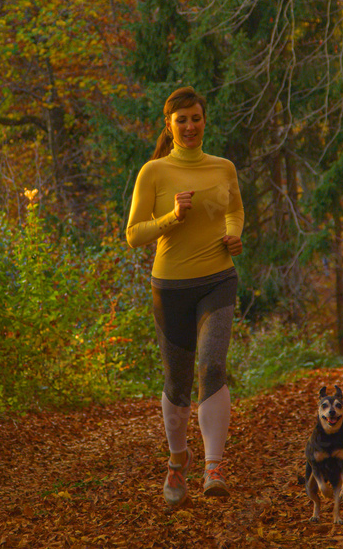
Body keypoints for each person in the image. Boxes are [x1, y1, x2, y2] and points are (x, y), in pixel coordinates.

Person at [125, 86, 244, 507]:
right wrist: (172, 218)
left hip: (218, 280)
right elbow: (133, 235)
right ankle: (178, 460)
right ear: (169, 125)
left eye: (196, 118)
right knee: (178, 384)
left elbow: (235, 209)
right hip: (171, 287)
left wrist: (234, 234)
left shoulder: (223, 168)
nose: (190, 126)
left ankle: (214, 467)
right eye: (182, 120)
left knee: (212, 365)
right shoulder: (153, 172)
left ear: (204, 121)